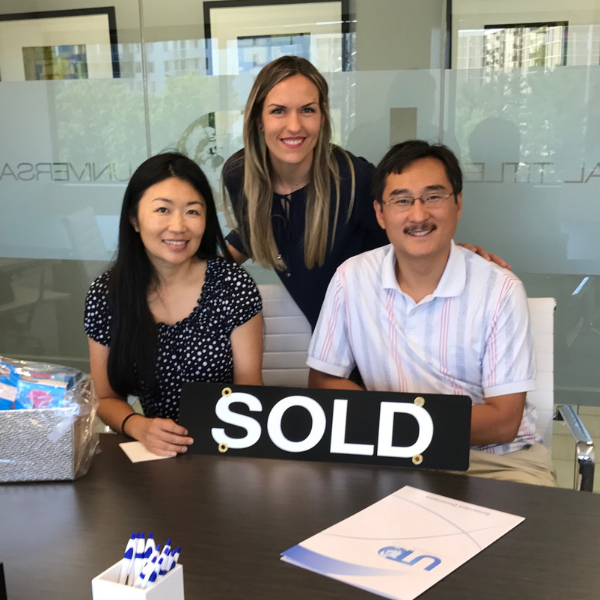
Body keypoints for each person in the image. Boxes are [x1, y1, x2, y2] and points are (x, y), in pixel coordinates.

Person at [307, 140, 556, 486]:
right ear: (380, 213)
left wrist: (393, 422)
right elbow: (323, 381)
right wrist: (394, 429)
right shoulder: (352, 278)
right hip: (388, 454)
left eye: (433, 197)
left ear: (458, 204)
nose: (418, 215)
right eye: (402, 200)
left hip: (492, 460)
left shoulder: (500, 290)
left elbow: (503, 422)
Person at [223, 55, 507, 330]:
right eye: (278, 110)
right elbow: (257, 228)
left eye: (307, 110)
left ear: (323, 116)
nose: (294, 125)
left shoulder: (354, 179)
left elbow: (410, 235)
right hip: (325, 338)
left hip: (379, 329)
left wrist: (453, 255)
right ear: (258, 119)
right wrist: (200, 272)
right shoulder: (241, 175)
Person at [85, 153, 263, 457]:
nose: (179, 226)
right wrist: (137, 425)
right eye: (163, 210)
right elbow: (105, 397)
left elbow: (249, 387)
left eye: (192, 211)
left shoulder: (233, 285)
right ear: (134, 219)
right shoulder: (107, 294)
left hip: (223, 446)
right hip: (150, 452)